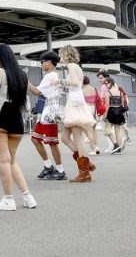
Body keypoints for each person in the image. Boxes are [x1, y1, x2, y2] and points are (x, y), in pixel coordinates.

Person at [0, 44, 36, 211]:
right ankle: (28, 197)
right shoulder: (21, 75)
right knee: (12, 161)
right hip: (17, 121)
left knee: (3, 161)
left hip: (0, 119)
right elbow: (33, 92)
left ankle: (8, 199)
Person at [58, 47, 97, 183]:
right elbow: (77, 84)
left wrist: (59, 81)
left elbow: (74, 82)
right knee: (64, 137)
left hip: (74, 102)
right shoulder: (77, 67)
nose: (60, 58)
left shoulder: (70, 66)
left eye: (61, 55)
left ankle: (84, 172)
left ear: (66, 55)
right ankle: (86, 164)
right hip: (76, 100)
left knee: (78, 138)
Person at [27, 50, 67, 181]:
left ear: (49, 62)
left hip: (49, 114)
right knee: (35, 139)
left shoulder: (50, 76)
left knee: (52, 142)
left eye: (42, 62)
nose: (41, 65)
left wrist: (25, 81)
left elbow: (37, 92)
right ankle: (48, 166)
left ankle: (60, 170)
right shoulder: (52, 75)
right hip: (45, 113)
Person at [99, 73, 128, 153]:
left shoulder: (108, 93)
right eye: (105, 84)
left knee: (107, 130)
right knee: (117, 130)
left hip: (111, 112)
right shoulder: (120, 92)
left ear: (111, 83)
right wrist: (123, 113)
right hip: (119, 112)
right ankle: (118, 147)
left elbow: (107, 105)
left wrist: (105, 115)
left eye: (107, 83)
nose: (105, 85)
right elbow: (122, 103)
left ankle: (116, 145)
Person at [83, 76, 103, 154]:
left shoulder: (82, 90)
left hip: (87, 109)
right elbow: (100, 98)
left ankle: (93, 149)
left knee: (89, 131)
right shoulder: (95, 89)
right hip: (95, 109)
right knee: (94, 130)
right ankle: (96, 146)